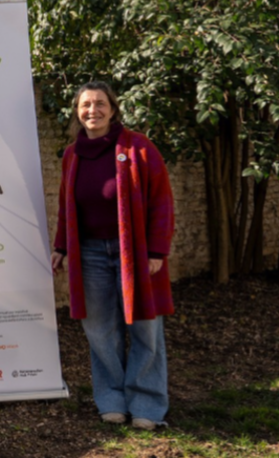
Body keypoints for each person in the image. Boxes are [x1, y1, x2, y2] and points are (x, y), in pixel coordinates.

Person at [50, 81, 176, 430]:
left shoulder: (138, 148)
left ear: (113, 108)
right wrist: (61, 247)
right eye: (86, 105)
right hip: (88, 254)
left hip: (134, 253)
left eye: (100, 103)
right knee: (100, 330)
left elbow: (162, 201)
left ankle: (147, 406)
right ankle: (112, 401)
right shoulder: (72, 155)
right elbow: (66, 207)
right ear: (78, 111)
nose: (93, 110)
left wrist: (156, 250)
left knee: (145, 330)